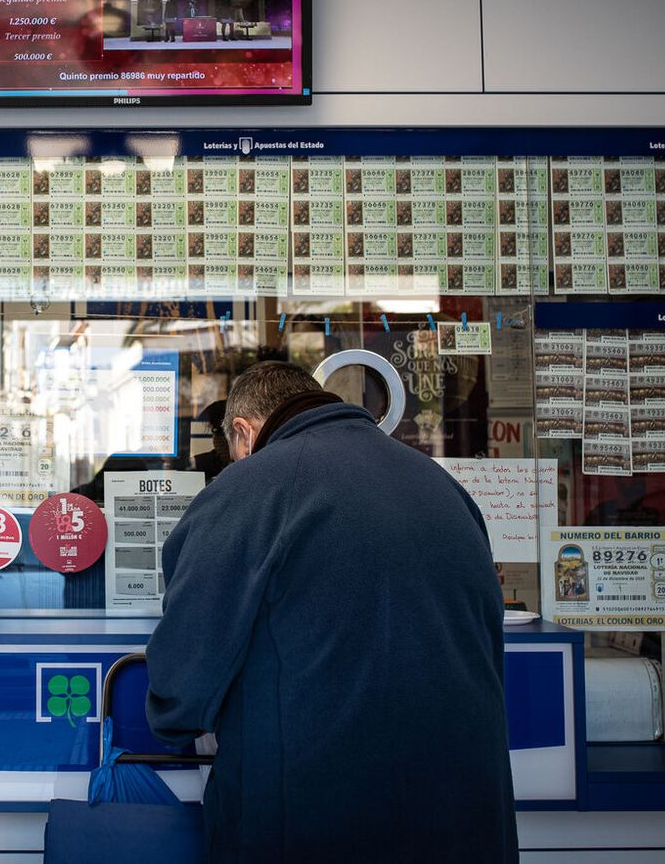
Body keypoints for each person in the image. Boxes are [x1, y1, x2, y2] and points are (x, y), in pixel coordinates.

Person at [145, 361, 517, 862]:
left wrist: (171, 716)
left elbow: (182, 684)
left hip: (313, 818)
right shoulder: (440, 486)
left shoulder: (249, 490)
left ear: (243, 431)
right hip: (465, 814)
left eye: (232, 452)